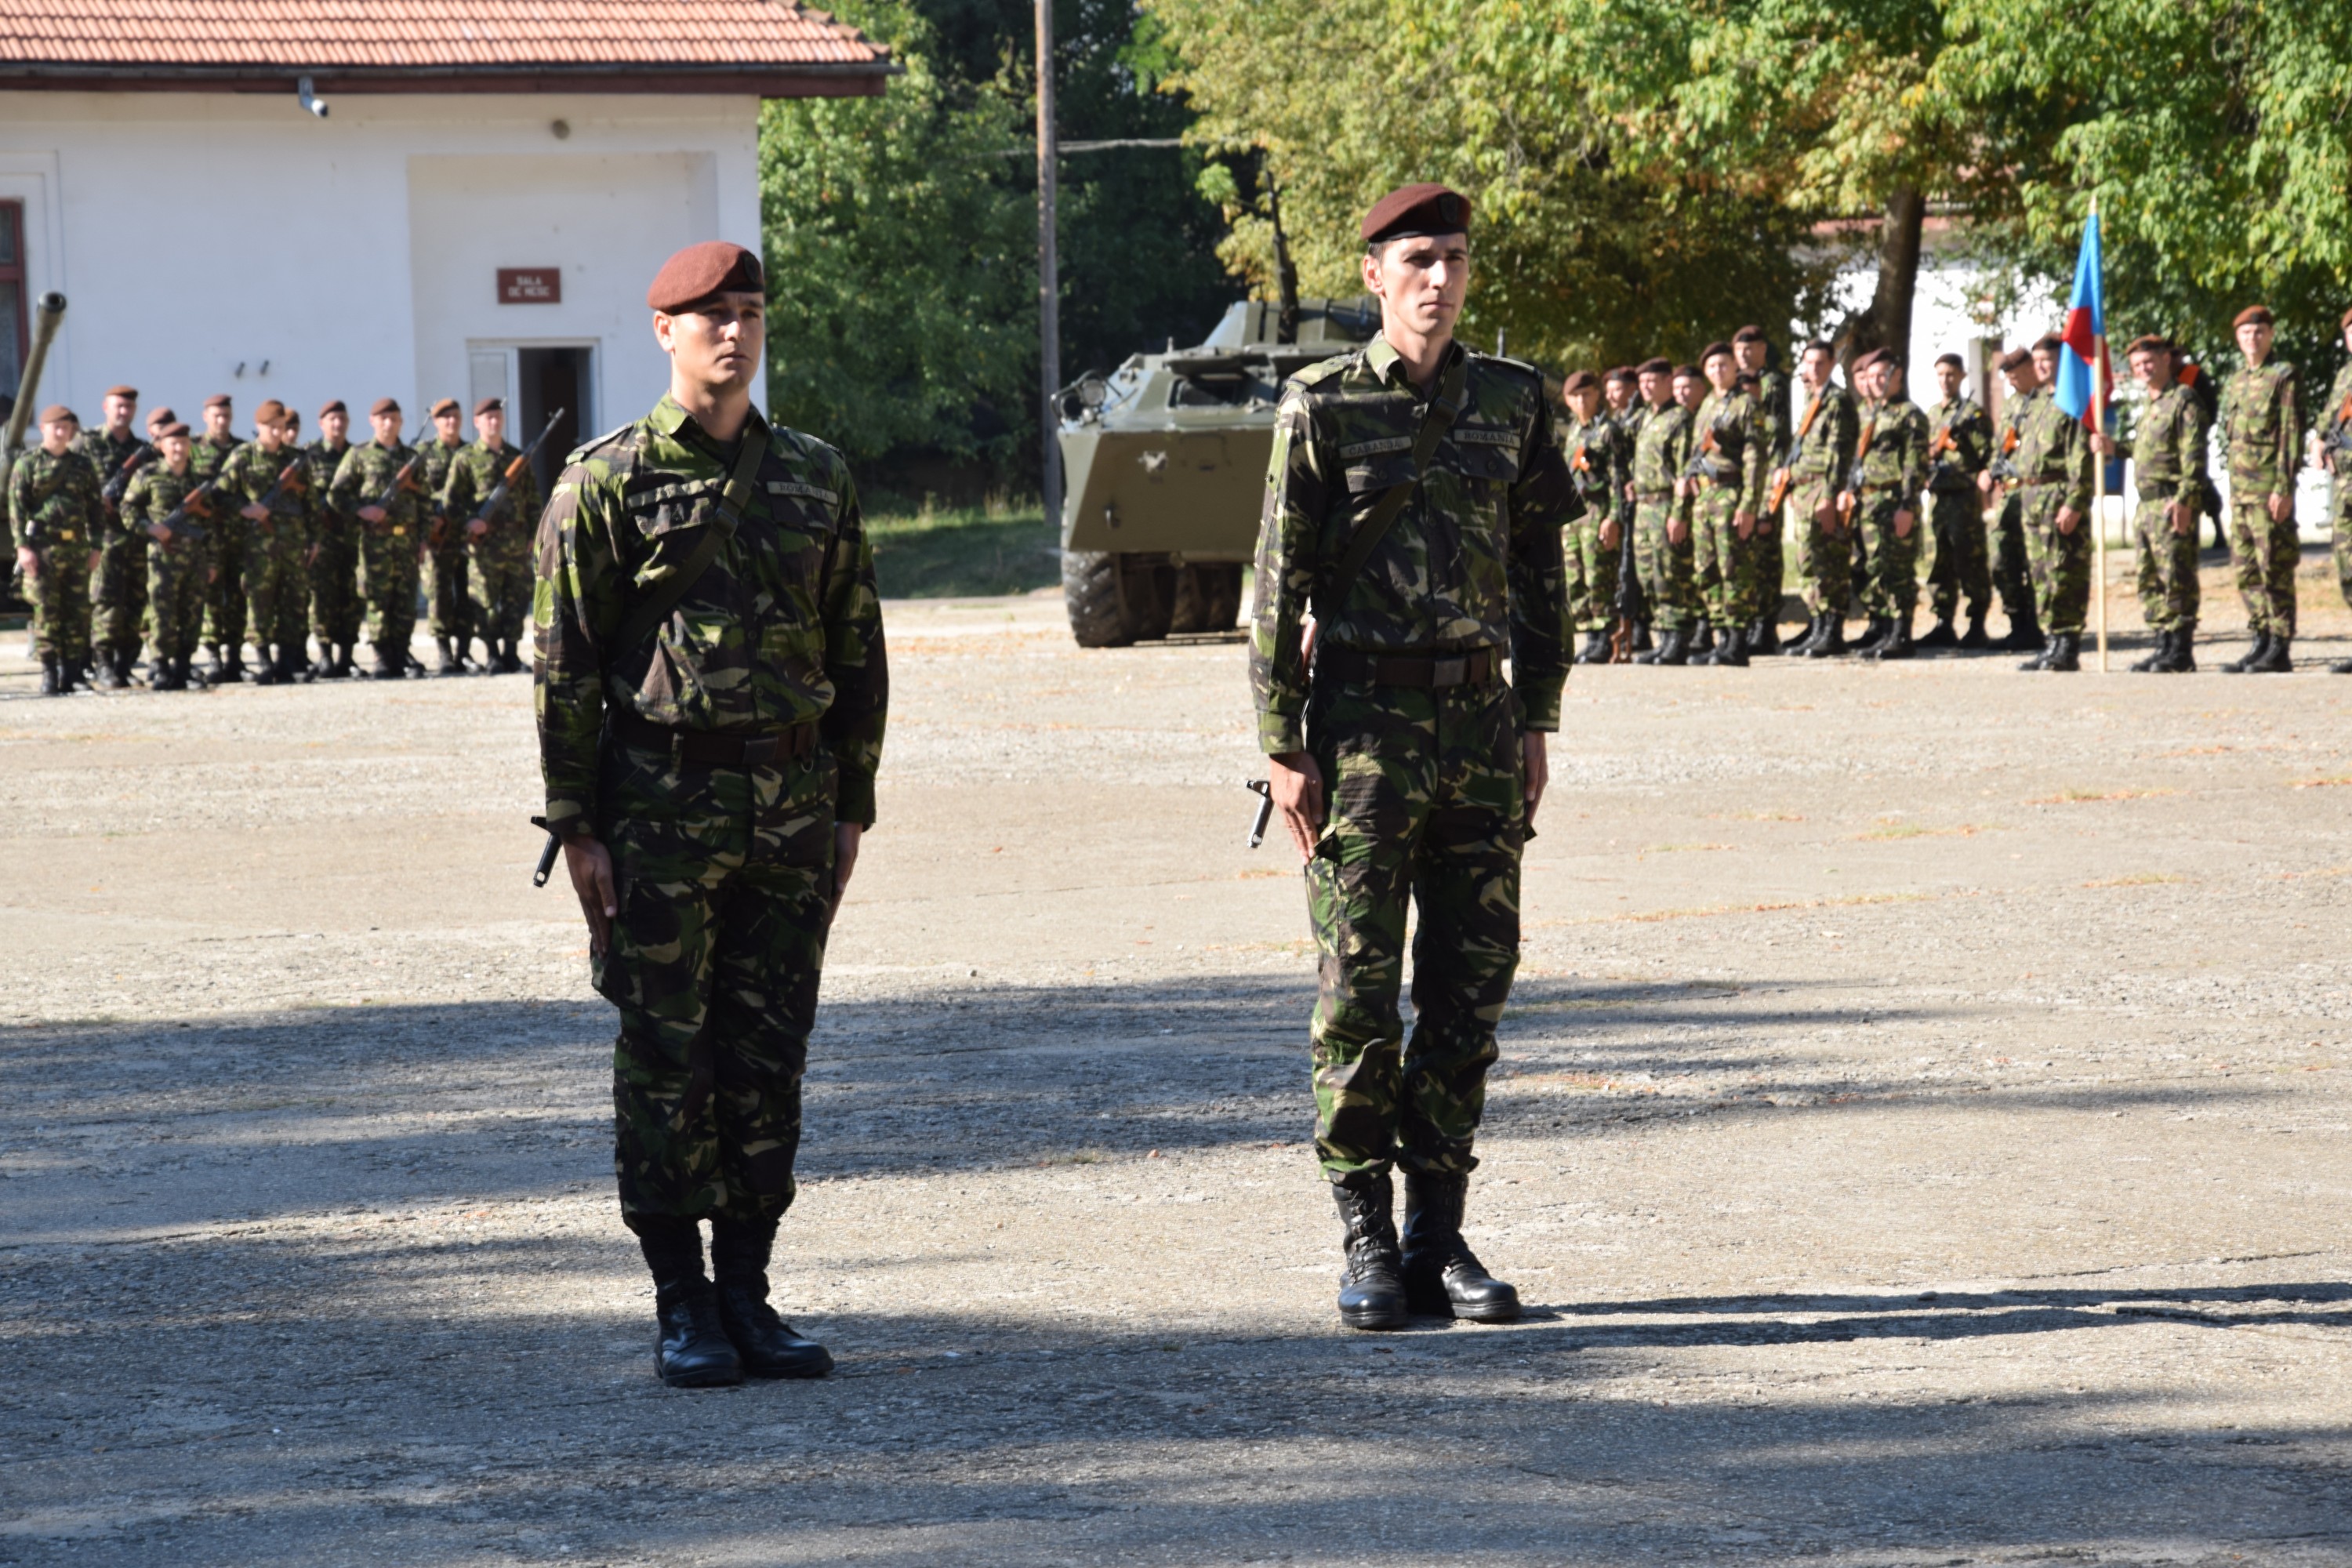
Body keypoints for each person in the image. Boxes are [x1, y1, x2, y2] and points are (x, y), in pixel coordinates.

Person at [538, 240, 887, 1386]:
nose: (732, 335)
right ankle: (680, 1300)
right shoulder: (607, 482)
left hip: (791, 811)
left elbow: (857, 648)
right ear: (663, 333)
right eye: (708, 317)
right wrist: (576, 822)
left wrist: (852, 804)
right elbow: (567, 668)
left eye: (747, 312)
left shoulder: (815, 478)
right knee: (666, 1059)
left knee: (769, 1057)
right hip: (660, 812)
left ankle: (751, 1289)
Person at [1252, 183, 1568, 1331]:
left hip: (1481, 733)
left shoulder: (1516, 402)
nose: (1439, 279)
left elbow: (1541, 574)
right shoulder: (1321, 407)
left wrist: (1540, 716)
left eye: (1455, 258)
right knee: (1358, 996)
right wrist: (1284, 743)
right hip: (1365, 739)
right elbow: (1274, 585)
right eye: (1417, 259)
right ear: (1376, 275)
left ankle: (1439, 1236)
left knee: (1470, 989)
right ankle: (1368, 1240)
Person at [2102, 336, 2211, 673]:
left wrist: (2186, 501)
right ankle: (2162, 642)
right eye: (2137, 365)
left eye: (2149, 361)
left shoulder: (2184, 400)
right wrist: (2113, 447)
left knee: (2176, 575)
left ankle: (2180, 649)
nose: (2143, 369)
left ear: (2166, 360)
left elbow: (2194, 457)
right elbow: (2143, 451)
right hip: (2146, 505)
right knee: (2151, 579)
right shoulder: (2150, 406)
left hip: (2170, 501)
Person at [1986, 338, 2092, 671]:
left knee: (2064, 571)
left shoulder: (2070, 402)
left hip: (2058, 495)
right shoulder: (2033, 404)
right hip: (2031, 498)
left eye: (2049, 360)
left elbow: (2080, 457)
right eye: (2040, 361)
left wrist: (2075, 502)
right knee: (2042, 574)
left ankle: (2067, 643)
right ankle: (2052, 641)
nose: (2043, 366)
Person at [2216, 305, 2303, 673]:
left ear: (2270, 335)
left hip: (2269, 490)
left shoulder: (2283, 376)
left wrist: (2283, 487)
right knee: (2246, 570)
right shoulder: (2234, 381)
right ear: (2238, 339)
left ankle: (2280, 645)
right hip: (2240, 493)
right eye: (2246, 334)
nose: (2253, 338)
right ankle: (2260, 638)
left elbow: (2290, 434)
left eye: (2260, 332)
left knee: (2274, 568)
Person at [216, 400, 320, 685]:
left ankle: (289, 661)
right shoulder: (243, 456)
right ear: (259, 426)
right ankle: (263, 660)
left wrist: (315, 540)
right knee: (260, 601)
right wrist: (245, 508)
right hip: (257, 547)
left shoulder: (296, 460)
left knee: (294, 602)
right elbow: (219, 495)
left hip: (293, 544)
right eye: (271, 428)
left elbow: (311, 502)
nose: (277, 433)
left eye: (281, 427)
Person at [438, 396, 543, 674]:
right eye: (488, 418)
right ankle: (492, 654)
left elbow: (533, 500)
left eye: (497, 417)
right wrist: (470, 522)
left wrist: (534, 535)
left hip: (516, 544)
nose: (494, 422)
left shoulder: (517, 458)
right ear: (477, 423)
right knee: (485, 602)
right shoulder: (466, 458)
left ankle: (511, 653)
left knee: (517, 600)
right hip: (484, 547)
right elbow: (450, 504)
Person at [1680, 341, 1767, 666]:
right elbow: (1695, 453)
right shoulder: (1705, 407)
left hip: (1731, 494)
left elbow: (1756, 459)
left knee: (1734, 567)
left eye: (1724, 365)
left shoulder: (1747, 405)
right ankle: (1721, 635)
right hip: (1704, 496)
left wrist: (1749, 506)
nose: (1719, 371)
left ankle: (1737, 639)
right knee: (1707, 569)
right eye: (1713, 366)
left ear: (1735, 367)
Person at [1839, 351, 1930, 660]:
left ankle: (1901, 633)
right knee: (1869, 566)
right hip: (1865, 501)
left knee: (1896, 569)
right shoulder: (1866, 415)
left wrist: (1907, 504)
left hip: (1893, 501)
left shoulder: (1909, 414)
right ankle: (1881, 626)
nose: (1877, 382)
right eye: (1873, 376)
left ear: (1897, 377)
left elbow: (1914, 464)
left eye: (1883, 376)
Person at [9, 405, 103, 695]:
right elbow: (18, 509)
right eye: (56, 427)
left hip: (75, 547)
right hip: (43, 548)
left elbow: (96, 509)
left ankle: (72, 673)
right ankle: (49, 672)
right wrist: (23, 548)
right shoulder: (29, 464)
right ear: (44, 428)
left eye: (66, 427)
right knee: (47, 612)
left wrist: (96, 546)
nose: (62, 432)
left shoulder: (82, 465)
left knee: (76, 613)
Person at [1777, 339, 1861, 657]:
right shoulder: (1812, 400)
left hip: (1821, 490)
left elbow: (1839, 453)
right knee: (1808, 561)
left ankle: (1832, 628)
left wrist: (1830, 494)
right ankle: (1818, 623)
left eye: (1819, 363)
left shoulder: (1836, 401)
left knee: (1829, 560)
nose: (1813, 369)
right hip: (1803, 489)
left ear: (1830, 365)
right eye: (1808, 363)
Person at [331, 398, 426, 680]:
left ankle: (400, 653)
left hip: (407, 543)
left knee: (406, 601)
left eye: (394, 418)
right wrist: (362, 510)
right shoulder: (360, 455)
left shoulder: (411, 458)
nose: (389, 423)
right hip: (375, 543)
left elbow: (424, 503)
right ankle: (382, 657)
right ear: (373, 421)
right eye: (383, 418)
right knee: (378, 600)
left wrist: (423, 540)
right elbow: (336, 495)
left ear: (400, 422)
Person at [122, 420, 211, 691]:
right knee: (162, 611)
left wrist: (214, 560)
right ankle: (160, 664)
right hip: (163, 556)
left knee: (192, 611)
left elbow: (212, 522)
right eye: (173, 443)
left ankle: (184, 664)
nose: (179, 448)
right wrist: (150, 528)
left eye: (184, 443)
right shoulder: (148, 474)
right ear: (162, 446)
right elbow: (127, 509)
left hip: (195, 556)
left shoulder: (199, 479)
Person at [1919, 352, 1995, 650]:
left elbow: (1986, 454)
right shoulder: (1931, 415)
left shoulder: (1972, 415)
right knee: (1938, 562)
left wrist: (1983, 476)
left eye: (1950, 374)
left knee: (1970, 561)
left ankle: (1977, 625)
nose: (1945, 380)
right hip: (1938, 497)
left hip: (1963, 497)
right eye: (1940, 374)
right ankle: (1943, 622)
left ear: (1962, 376)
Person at [76, 385, 150, 689]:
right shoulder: (87, 443)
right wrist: (96, 501)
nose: (123, 412)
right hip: (103, 535)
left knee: (135, 601)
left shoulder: (142, 449)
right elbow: (71, 481)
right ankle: (103, 663)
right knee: (106, 600)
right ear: (105, 408)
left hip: (135, 535)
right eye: (118, 406)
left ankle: (125, 663)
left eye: (129, 407)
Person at [1632, 363, 1703, 664]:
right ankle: (1664, 637)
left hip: (1665, 506)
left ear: (1667, 382)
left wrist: (1679, 514)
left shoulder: (1680, 419)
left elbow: (1685, 470)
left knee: (1670, 573)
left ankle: (1679, 638)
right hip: (1643, 506)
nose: (1646, 386)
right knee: (1648, 575)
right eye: (1643, 381)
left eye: (1653, 381)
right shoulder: (1646, 416)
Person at [1980, 351, 2046, 655]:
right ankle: (2017, 623)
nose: (2013, 381)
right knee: (2001, 558)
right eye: (2008, 377)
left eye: (2017, 374)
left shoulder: (2048, 400)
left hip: (2037, 491)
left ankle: (2036, 626)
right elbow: (2000, 446)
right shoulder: (2011, 405)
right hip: (2010, 493)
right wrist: (1988, 471)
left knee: (2035, 561)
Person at [1732, 326, 1791, 653]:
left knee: (1767, 555)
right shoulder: (1733, 387)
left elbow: (1777, 438)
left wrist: (1771, 497)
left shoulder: (1772, 384)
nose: (1744, 354)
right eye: (1739, 349)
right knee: (1745, 557)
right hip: (1740, 485)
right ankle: (1752, 622)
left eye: (1750, 348)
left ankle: (1766, 626)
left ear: (1763, 349)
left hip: (1768, 480)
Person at [1560, 370, 1624, 662]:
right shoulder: (1574, 430)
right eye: (1575, 396)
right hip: (1574, 517)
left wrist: (1614, 518)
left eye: (1586, 394)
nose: (1581, 401)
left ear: (1597, 394)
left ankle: (1606, 637)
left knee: (1600, 576)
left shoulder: (1609, 431)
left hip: (1599, 512)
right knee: (1576, 579)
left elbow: (1620, 480)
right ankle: (1590, 636)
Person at [192, 394, 248, 683]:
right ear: (205, 416)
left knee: (238, 595)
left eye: (226, 415)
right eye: (216, 415)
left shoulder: (243, 450)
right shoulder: (192, 449)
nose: (221, 420)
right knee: (212, 598)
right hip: (206, 537)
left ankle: (235, 658)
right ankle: (213, 656)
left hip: (239, 535)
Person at [305, 400, 361, 679]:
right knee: (322, 597)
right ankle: (325, 655)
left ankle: (347, 657)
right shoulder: (309, 456)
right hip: (322, 539)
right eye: (332, 420)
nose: (337, 424)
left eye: (342, 419)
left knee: (351, 597)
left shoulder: (358, 454)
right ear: (322, 424)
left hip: (352, 537)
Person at [420, 397, 472, 675]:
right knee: (439, 593)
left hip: (466, 534)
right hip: (438, 535)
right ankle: (444, 653)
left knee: (468, 593)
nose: (451, 422)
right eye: (445, 418)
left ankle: (464, 652)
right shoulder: (424, 454)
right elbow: (416, 494)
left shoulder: (471, 452)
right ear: (437, 422)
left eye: (455, 416)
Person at [2321, 308, 2352, 675]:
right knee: (2347, 566)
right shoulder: (2345, 374)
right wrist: (2321, 444)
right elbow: (2328, 419)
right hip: (2344, 486)